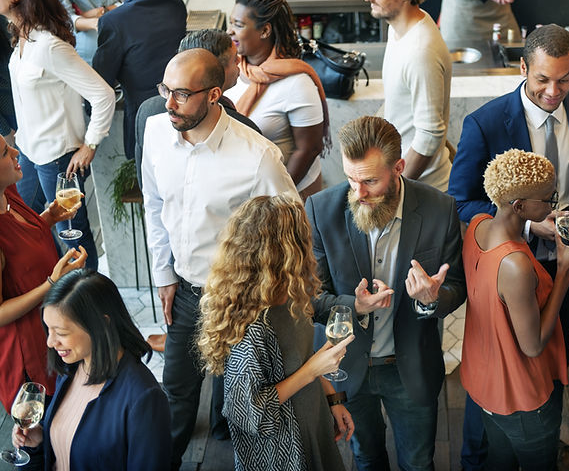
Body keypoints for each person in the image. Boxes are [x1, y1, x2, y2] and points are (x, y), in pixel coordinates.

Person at [448, 23, 569, 470]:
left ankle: (540, 435)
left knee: (557, 355)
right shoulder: (484, 123)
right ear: (522, 68)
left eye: (565, 79)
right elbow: (460, 201)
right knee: (501, 367)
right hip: (513, 269)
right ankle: (481, 457)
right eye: (543, 79)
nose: (554, 92)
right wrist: (530, 224)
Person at [142, 48, 299, 470]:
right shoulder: (155, 131)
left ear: (214, 94)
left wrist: (268, 291)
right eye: (165, 90)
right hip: (184, 290)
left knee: (243, 401)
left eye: (181, 94)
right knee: (177, 391)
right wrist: (164, 274)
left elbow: (291, 224)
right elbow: (154, 205)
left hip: (240, 299)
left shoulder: (257, 155)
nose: (169, 103)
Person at [305, 115, 466, 470]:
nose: (358, 193)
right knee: (366, 458)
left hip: (410, 367)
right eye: (351, 179)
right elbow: (309, 298)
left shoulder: (440, 209)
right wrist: (355, 306)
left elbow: (456, 285)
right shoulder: (320, 210)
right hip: (346, 368)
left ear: (399, 168)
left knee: (419, 463)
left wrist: (432, 299)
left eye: (370, 181)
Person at [197, 195, 355, 471]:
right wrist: (312, 370)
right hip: (284, 450)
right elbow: (250, 414)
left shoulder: (290, 295)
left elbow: (298, 359)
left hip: (312, 422)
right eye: (304, 238)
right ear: (287, 249)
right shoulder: (252, 327)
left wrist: (332, 398)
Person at [462, 149, 569, 470]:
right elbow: (532, 346)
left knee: (499, 460)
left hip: (485, 380)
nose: (554, 206)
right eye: (548, 199)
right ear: (519, 206)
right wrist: (565, 271)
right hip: (520, 393)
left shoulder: (477, 225)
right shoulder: (515, 264)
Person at [0, 0, 116, 272]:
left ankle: (90, 299)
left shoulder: (49, 46)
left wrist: (90, 144)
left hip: (58, 160)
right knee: (28, 224)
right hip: (29, 152)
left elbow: (103, 95)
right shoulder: (22, 38)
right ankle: (51, 288)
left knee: (74, 237)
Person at [12, 269, 172, 471]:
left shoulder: (144, 399)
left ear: (101, 324)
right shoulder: (72, 368)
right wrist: (39, 441)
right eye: (48, 329)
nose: (50, 342)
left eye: (61, 332)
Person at [0, 135, 87, 415]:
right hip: (28, 352)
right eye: (5, 152)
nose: (16, 151)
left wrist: (50, 215)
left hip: (50, 328)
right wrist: (52, 283)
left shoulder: (7, 192)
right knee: (44, 429)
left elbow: (22, 243)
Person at [227, 0, 330, 199]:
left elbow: (309, 148)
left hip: (289, 197)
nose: (230, 31)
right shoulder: (233, 71)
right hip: (248, 193)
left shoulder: (297, 83)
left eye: (238, 25)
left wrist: (277, 194)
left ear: (265, 31)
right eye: (230, 23)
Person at [364, 0, 452, 191]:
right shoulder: (400, 28)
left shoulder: (420, 51)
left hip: (422, 190)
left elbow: (429, 134)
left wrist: (394, 188)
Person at [134, 28, 261, 188]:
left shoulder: (147, 110)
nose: (239, 62)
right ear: (214, 71)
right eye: (234, 59)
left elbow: (145, 185)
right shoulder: (246, 131)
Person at [92, 0, 186, 160]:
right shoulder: (174, 3)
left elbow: (102, 78)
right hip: (184, 108)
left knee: (146, 171)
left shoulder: (112, 21)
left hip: (145, 116)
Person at [45, 0, 117, 65]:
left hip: (122, 34)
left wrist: (93, 14)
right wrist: (97, 23)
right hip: (89, 48)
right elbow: (66, 19)